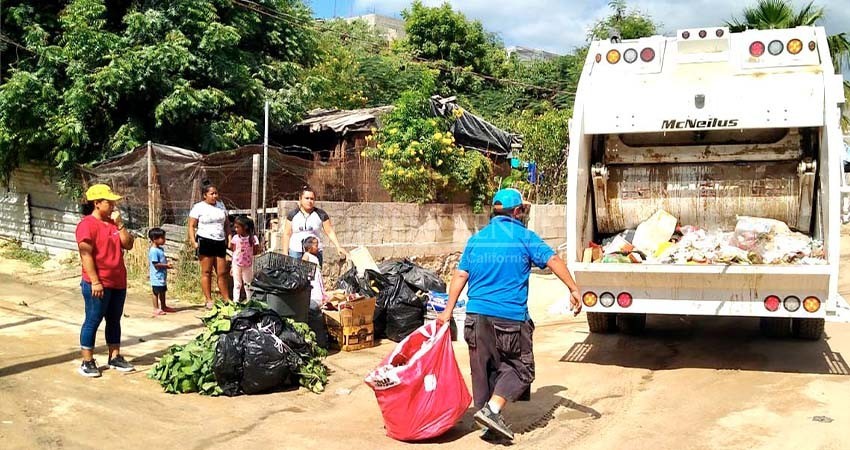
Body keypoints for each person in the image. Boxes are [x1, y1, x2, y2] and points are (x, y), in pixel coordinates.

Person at [437, 188, 583, 442]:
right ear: (516, 211)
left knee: (483, 369)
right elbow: (553, 260)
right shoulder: (525, 237)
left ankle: (486, 421)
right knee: (521, 369)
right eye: (523, 209)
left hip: (475, 317)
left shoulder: (477, 239)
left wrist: (447, 312)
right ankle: (492, 411)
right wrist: (573, 288)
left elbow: (460, 275)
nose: (524, 213)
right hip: (509, 318)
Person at [75, 184, 136, 378]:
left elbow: (129, 244)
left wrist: (120, 225)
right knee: (93, 319)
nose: (112, 206)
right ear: (97, 203)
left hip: (118, 281)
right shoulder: (86, 225)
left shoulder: (113, 224)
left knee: (114, 319)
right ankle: (87, 361)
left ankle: (115, 356)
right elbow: (86, 254)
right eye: (108, 202)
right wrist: (95, 281)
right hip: (98, 282)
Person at [188, 181, 232, 308]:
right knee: (206, 271)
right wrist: (193, 242)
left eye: (216, 193)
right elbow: (191, 226)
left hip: (219, 241)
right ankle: (208, 299)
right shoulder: (198, 207)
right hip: (205, 240)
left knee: (222, 272)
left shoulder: (221, 205)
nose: (215, 196)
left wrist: (229, 238)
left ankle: (226, 298)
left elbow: (227, 224)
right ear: (204, 195)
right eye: (212, 194)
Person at [282, 186, 348, 266]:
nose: (309, 201)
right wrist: (285, 253)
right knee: (295, 276)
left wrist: (338, 247)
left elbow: (329, 231)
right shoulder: (292, 215)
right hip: (296, 251)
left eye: (312, 199)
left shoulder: (321, 214)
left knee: (314, 276)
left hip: (315, 251)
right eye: (307, 198)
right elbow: (287, 234)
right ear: (300, 199)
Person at [301, 236, 328, 348]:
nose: (318, 247)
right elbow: (302, 269)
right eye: (316, 245)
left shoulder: (315, 258)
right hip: (312, 288)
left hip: (317, 287)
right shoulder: (307, 256)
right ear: (309, 247)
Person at [230, 216, 261, 302]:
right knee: (237, 284)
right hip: (236, 264)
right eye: (235, 227)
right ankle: (235, 301)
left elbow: (255, 251)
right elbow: (234, 251)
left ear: (246, 227)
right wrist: (232, 266)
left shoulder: (253, 239)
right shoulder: (235, 238)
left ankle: (249, 301)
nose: (235, 229)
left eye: (237, 227)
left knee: (247, 284)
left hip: (248, 265)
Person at [148, 228, 174, 316]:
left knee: (163, 291)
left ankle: (163, 306)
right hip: (156, 276)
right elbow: (156, 264)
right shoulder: (153, 251)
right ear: (155, 239)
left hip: (162, 276)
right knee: (156, 292)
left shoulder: (160, 249)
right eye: (162, 238)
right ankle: (155, 308)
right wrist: (166, 266)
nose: (164, 240)